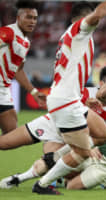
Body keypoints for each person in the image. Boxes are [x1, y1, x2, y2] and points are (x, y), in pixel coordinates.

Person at [31, 0, 106, 195]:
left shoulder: (72, 37)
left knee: (101, 136)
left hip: (68, 98)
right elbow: (99, 13)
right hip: (65, 100)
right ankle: (43, 179)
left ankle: (51, 165)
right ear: (86, 17)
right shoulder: (79, 30)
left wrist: (83, 97)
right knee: (84, 151)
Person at [0, 1, 46, 134]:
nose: (32, 21)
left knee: (11, 133)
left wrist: (34, 92)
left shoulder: (25, 42)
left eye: (35, 18)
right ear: (19, 18)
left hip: (4, 90)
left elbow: (18, 70)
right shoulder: (8, 32)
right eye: (28, 17)